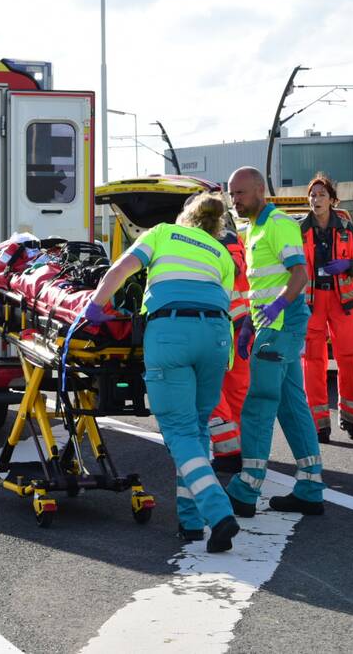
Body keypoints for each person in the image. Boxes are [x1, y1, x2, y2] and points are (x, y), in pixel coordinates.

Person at [82, 192, 240, 552]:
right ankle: (191, 521)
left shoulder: (161, 233)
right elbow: (225, 298)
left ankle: (218, 512)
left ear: (185, 215)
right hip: (215, 336)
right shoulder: (221, 252)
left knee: (180, 432)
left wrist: (94, 307)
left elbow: (120, 270)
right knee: (197, 431)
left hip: (171, 334)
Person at [224, 166, 325, 518]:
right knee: (290, 405)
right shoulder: (253, 229)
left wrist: (275, 309)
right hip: (272, 324)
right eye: (231, 194)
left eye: (240, 193)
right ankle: (310, 487)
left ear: (259, 190)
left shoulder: (278, 223)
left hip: (281, 324)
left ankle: (246, 489)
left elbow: (300, 273)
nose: (234, 200)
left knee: (258, 405)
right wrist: (253, 323)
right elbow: (261, 284)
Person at [300, 174, 353, 442]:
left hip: (342, 301)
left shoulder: (346, 226)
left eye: (321, 195)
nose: (316, 199)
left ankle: (351, 419)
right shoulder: (299, 229)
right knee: (313, 361)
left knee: (350, 356)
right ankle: (319, 423)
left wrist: (348, 265)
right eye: (312, 195)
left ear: (332, 199)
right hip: (312, 301)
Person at [208, 223, 251, 474]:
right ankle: (237, 448)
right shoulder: (231, 238)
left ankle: (229, 449)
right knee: (236, 389)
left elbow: (234, 269)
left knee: (209, 385)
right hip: (239, 320)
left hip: (222, 321)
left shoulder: (223, 239)